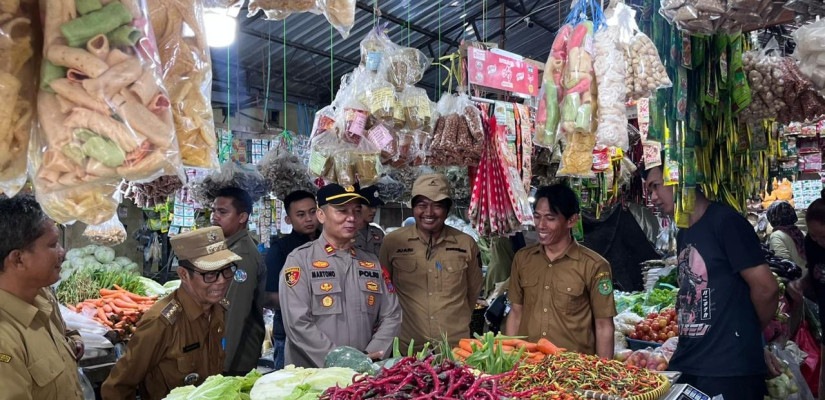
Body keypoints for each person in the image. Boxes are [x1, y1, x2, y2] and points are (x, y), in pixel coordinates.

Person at [643, 164, 780, 399]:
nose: (653, 197)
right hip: (690, 362)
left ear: (679, 178)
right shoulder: (684, 231)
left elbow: (766, 289)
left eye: (656, 187)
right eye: (649, 190)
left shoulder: (726, 223)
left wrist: (745, 333)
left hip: (727, 369)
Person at [102, 227, 240, 399]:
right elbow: (116, 388)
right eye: (210, 274)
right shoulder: (161, 322)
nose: (222, 281)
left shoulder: (218, 308)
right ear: (183, 274)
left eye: (227, 270)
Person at [280, 184, 401, 367]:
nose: (351, 218)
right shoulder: (299, 260)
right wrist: (341, 362)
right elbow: (297, 323)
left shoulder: (371, 262)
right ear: (321, 215)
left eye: (357, 211)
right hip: (313, 375)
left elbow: (392, 315)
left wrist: (369, 356)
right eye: (342, 211)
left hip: (362, 375)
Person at [505, 185, 616, 359]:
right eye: (537, 217)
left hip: (573, 371)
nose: (541, 225)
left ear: (571, 221)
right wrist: (509, 360)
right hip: (528, 367)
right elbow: (516, 312)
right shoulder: (523, 259)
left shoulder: (594, 266)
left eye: (550, 218)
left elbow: (604, 325)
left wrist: (603, 372)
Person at [379, 174, 483, 350]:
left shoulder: (466, 244)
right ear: (413, 207)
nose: (429, 213)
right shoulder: (393, 243)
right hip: (408, 347)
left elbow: (472, 292)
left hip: (455, 348)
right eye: (422, 205)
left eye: (437, 206)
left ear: (447, 209)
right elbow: (384, 290)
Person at [0, 194, 83, 400]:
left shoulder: (42, 296)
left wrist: (73, 341)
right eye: (53, 244)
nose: (62, 252)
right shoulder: (5, 341)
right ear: (18, 259)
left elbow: (62, 334)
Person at [211, 187, 267, 375]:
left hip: (235, 357)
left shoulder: (241, 255)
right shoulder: (228, 247)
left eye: (223, 212)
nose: (215, 216)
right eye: (214, 210)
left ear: (242, 217)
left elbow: (234, 314)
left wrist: (221, 366)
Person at [263, 189, 320, 370]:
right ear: (288, 220)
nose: (309, 219)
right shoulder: (281, 250)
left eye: (312, 212)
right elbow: (269, 296)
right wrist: (309, 305)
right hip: (289, 333)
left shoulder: (329, 244)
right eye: (301, 215)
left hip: (325, 331)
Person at [790, 196, 825, 399]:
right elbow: (813, 273)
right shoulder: (811, 244)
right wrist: (800, 284)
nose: (820, 242)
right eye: (814, 236)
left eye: (824, 236)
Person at [767, 201, 806, 270]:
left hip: (796, 278)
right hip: (809, 276)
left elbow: (783, 263)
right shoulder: (801, 233)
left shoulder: (777, 236)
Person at [353, 185, 385, 256]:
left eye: (376, 206)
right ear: (357, 206)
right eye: (370, 206)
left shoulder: (378, 233)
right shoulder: (346, 233)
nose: (374, 210)